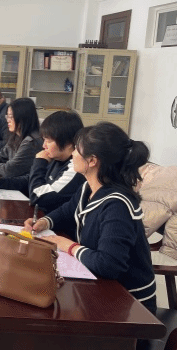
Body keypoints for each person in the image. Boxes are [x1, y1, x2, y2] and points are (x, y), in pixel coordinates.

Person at [25, 122, 156, 314]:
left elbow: (108, 265)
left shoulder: (117, 205)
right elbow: (66, 211)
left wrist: (68, 246)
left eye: (77, 150)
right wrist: (44, 222)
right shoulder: (88, 187)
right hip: (99, 288)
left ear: (92, 160)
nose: (72, 154)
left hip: (129, 305)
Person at [0, 110, 85, 213]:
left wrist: (40, 162)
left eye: (48, 141)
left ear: (68, 143)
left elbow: (38, 197)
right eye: (44, 140)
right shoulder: (57, 158)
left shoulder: (75, 169)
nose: (44, 145)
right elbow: (29, 181)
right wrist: (0, 182)